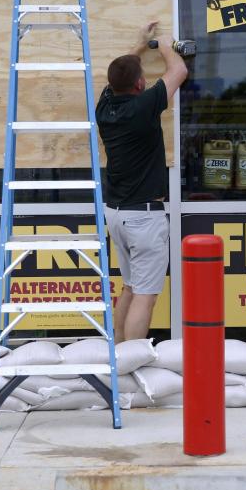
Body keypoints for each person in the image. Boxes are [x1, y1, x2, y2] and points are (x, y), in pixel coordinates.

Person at [96, 22, 188, 342]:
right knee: (145, 296)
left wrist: (138, 44)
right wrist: (165, 46)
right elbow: (178, 72)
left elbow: (120, 73)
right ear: (139, 83)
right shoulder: (143, 106)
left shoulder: (104, 107)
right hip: (143, 218)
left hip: (116, 213)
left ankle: (118, 354)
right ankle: (131, 361)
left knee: (130, 288)